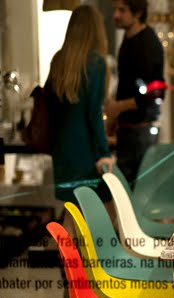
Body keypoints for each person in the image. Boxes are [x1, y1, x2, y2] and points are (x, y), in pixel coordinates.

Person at [47, 5, 113, 222]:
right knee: (97, 214)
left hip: (62, 151)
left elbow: (50, 106)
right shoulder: (96, 62)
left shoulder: (59, 60)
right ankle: (74, 248)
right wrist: (104, 151)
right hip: (86, 152)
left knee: (72, 213)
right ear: (96, 30)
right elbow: (94, 114)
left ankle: (63, 246)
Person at [106, 0, 164, 186]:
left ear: (138, 13)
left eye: (122, 10)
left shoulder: (147, 42)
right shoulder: (128, 38)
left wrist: (118, 107)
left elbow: (156, 91)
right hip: (129, 129)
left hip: (140, 131)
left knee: (139, 190)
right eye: (115, 9)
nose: (115, 15)